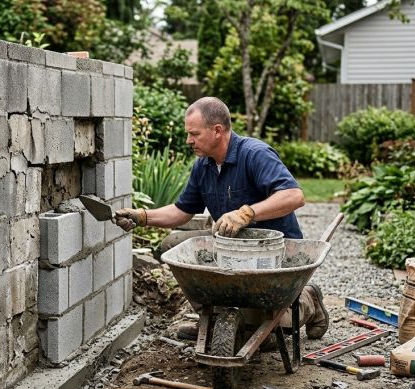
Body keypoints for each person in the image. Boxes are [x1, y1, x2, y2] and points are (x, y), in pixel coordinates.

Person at [114, 97, 329, 339]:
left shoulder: (254, 154)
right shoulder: (203, 166)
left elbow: (294, 196)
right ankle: (213, 320)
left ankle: (309, 301)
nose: (188, 140)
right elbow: (182, 211)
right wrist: (141, 216)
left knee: (265, 327)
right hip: (231, 245)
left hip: (273, 251)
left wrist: (246, 213)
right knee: (173, 245)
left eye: (194, 134)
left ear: (217, 130)